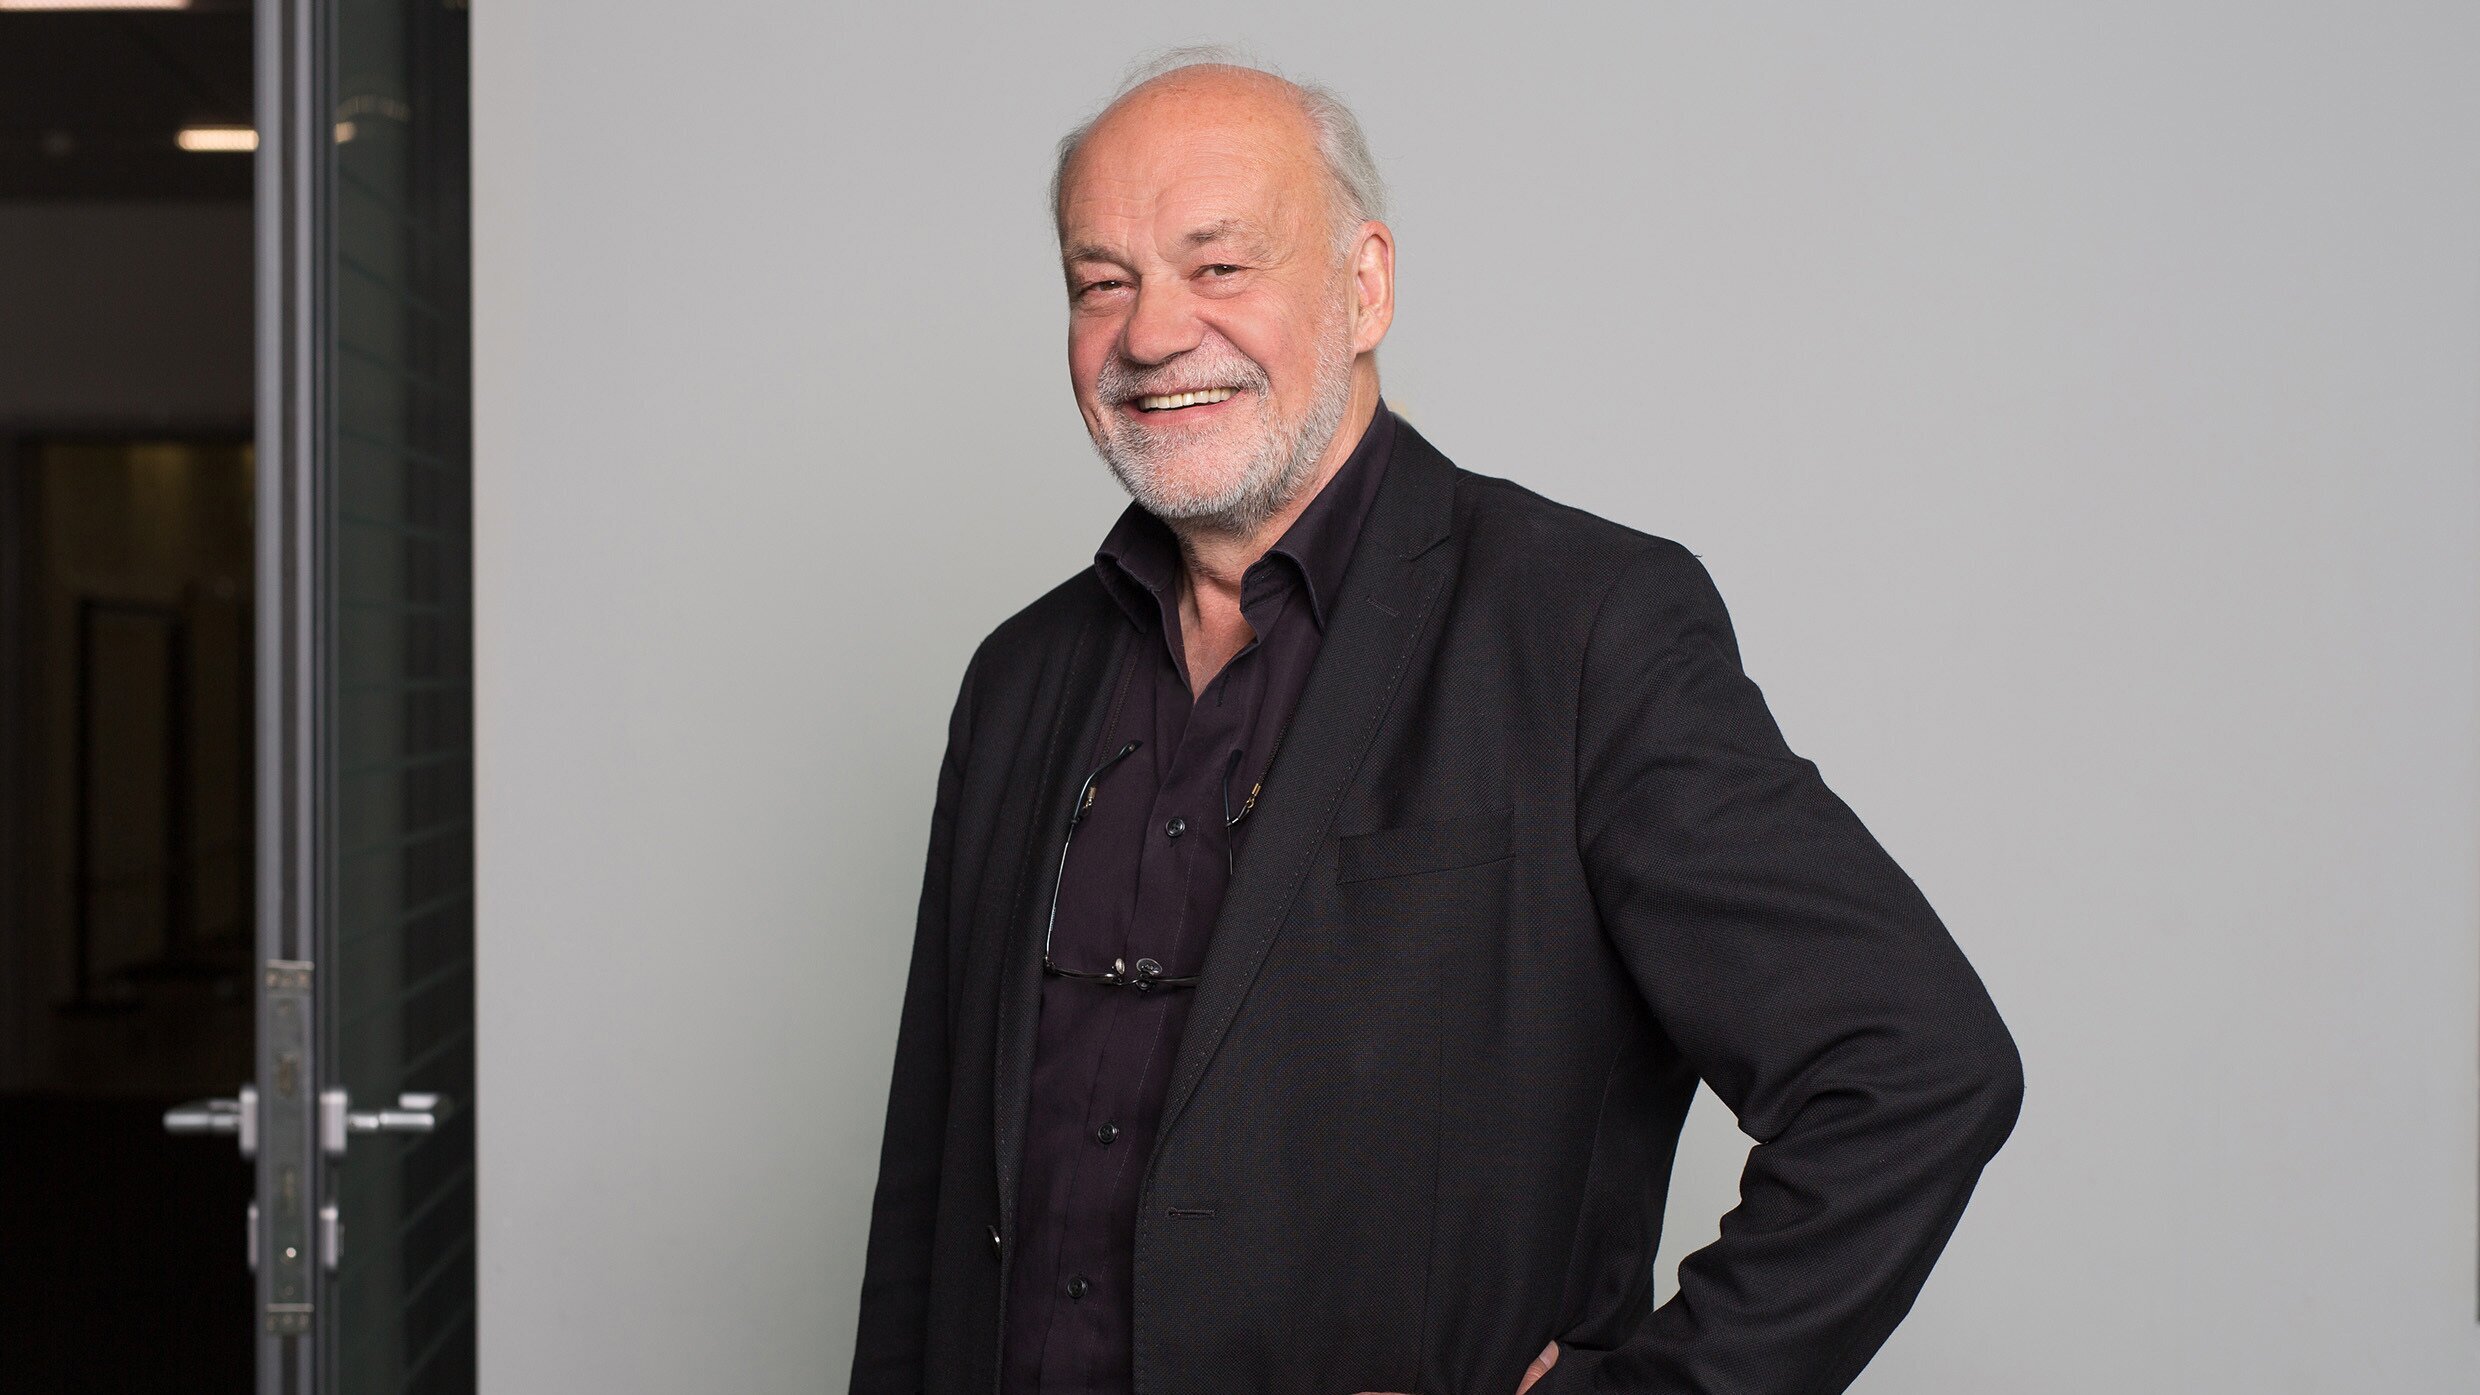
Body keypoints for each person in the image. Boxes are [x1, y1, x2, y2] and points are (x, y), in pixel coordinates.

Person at [850, 49, 2022, 1395]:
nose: (1154, 333)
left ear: (1365, 287)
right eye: (1101, 282)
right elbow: (930, 1190)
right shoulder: (1019, 679)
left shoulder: (1583, 629)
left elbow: (1916, 1067)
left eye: (1218, 265)